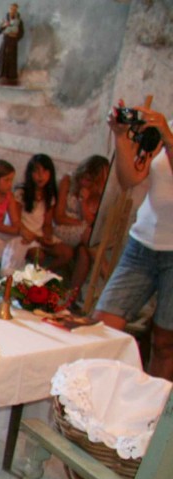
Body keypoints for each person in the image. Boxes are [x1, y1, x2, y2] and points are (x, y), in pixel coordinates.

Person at [95, 105, 173, 380]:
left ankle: (154, 413)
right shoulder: (165, 129)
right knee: (103, 325)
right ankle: (95, 400)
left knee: (164, 343)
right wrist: (120, 136)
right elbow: (130, 178)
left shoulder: (167, 132)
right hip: (143, 244)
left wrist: (169, 139)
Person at [1, 154, 73, 273]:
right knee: (38, 256)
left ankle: (44, 273)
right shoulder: (21, 192)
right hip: (22, 233)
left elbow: (47, 223)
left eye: (44, 171)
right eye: (36, 171)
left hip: (38, 234)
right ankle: (29, 277)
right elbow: (16, 222)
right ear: (30, 174)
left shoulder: (49, 196)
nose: (40, 176)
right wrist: (34, 237)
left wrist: (47, 236)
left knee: (67, 252)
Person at [55, 154, 109, 292]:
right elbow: (59, 216)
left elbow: (91, 220)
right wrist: (79, 223)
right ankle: (105, 269)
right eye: (84, 177)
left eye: (90, 180)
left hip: (82, 232)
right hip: (62, 227)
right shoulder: (67, 181)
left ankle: (72, 295)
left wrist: (84, 202)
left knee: (84, 253)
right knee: (89, 233)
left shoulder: (97, 192)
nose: (85, 182)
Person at [0, 3, 24, 86]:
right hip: (6, 40)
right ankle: (1, 75)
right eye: (12, 9)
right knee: (3, 57)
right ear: (9, 9)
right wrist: (4, 26)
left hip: (13, 41)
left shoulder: (19, 21)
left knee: (12, 59)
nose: (13, 11)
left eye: (14, 10)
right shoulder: (4, 19)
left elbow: (21, 33)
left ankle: (11, 76)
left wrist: (15, 37)